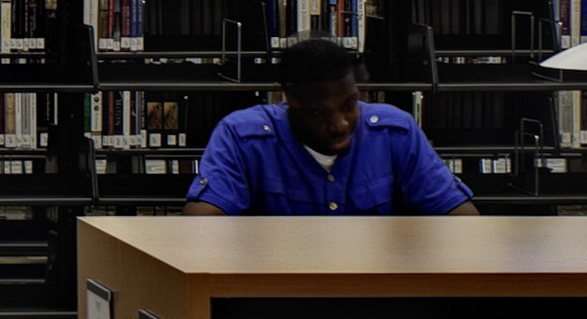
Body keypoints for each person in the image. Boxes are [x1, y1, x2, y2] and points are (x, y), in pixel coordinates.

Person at [185, 37, 477, 216]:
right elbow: (201, 229)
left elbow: (461, 221)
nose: (339, 124)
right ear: (288, 97)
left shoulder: (395, 132)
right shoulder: (241, 136)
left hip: (381, 299)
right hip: (276, 302)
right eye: (317, 112)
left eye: (350, 105)